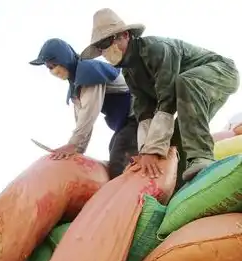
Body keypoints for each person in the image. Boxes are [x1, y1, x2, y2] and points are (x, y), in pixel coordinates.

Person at [80, 9, 239, 183]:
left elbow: (167, 100)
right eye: (100, 48)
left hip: (221, 72)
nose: (104, 51)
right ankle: (181, 184)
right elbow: (144, 113)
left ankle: (202, 158)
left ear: (124, 35)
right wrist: (144, 151)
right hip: (190, 94)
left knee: (185, 83)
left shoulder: (156, 50)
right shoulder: (129, 73)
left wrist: (153, 150)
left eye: (106, 43)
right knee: (176, 139)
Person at [30, 38, 138, 178]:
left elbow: (89, 113)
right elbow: (81, 119)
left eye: (54, 65)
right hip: (125, 123)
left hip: (139, 116)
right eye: (49, 68)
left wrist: (73, 145)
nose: (53, 71)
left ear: (64, 59)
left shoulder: (89, 72)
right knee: (114, 150)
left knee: (119, 159)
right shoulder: (76, 85)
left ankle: (130, 197)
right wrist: (77, 150)